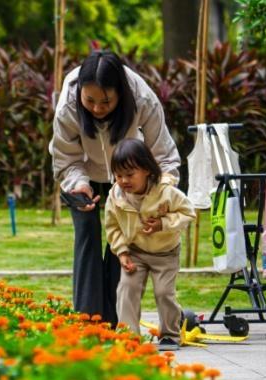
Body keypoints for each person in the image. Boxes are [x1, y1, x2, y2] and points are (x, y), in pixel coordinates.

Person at [49, 50, 181, 326]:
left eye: (106, 102)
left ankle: (116, 320)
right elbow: (65, 157)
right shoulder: (68, 107)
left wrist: (161, 194)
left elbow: (165, 156)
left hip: (127, 174)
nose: (97, 108)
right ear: (80, 94)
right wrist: (78, 184)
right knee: (87, 233)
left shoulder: (143, 99)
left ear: (120, 93)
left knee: (122, 241)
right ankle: (88, 319)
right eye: (90, 101)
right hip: (82, 171)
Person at [104, 139, 195, 351]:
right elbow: (112, 227)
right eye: (118, 175)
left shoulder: (166, 192)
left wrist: (163, 223)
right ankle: (128, 337)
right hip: (135, 251)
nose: (124, 180)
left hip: (165, 253)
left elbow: (188, 213)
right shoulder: (115, 197)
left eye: (129, 174)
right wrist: (122, 251)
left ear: (146, 169)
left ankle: (170, 334)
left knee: (164, 292)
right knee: (127, 289)